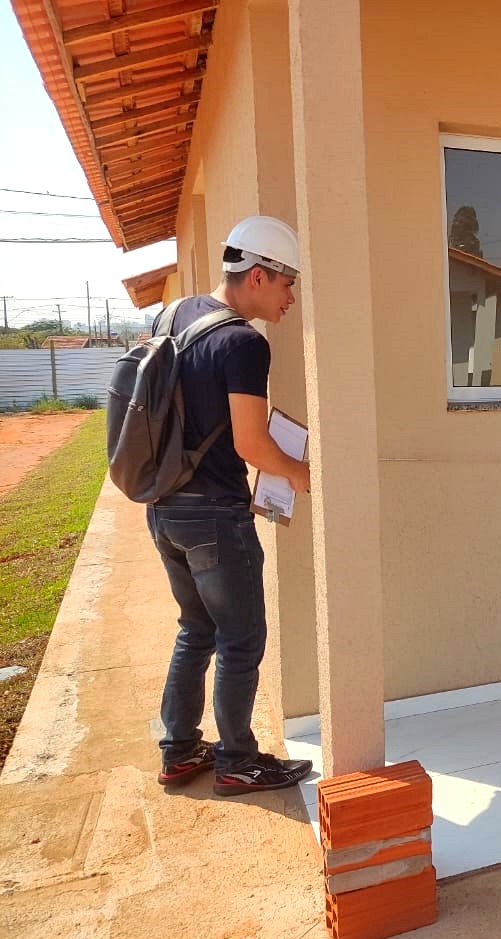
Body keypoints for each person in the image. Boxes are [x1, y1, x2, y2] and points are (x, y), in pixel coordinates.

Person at [150, 215, 315, 797]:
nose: (292, 295)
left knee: (195, 629)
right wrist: (296, 472)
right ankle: (238, 760)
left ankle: (178, 751)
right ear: (259, 275)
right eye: (288, 283)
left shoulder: (176, 315)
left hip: (164, 508)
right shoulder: (243, 343)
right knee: (241, 639)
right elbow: (250, 443)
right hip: (216, 517)